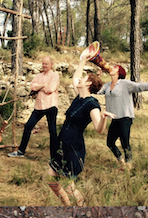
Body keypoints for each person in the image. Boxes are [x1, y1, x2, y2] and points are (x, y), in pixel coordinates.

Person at [45, 51, 115, 206]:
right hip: (62, 143)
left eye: (84, 78)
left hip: (73, 148)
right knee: (51, 179)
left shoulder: (92, 104)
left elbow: (99, 129)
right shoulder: (79, 97)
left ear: (89, 83)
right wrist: (83, 59)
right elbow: (75, 78)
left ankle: (81, 209)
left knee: (70, 186)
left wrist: (103, 118)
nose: (80, 80)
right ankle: (67, 205)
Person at [97, 63, 148, 168]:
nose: (111, 67)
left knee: (125, 143)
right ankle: (121, 161)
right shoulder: (107, 85)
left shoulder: (125, 83)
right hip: (114, 118)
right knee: (110, 142)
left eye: (115, 67)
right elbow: (97, 91)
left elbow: (140, 87)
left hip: (125, 117)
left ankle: (128, 166)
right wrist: (98, 77)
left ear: (119, 72)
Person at [9, 56, 60, 158]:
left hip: (51, 105)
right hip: (39, 106)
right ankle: (21, 151)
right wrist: (44, 85)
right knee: (28, 126)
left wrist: (39, 87)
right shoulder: (38, 75)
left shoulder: (55, 75)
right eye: (43, 64)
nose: (44, 66)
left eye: (46, 64)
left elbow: (50, 89)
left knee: (52, 131)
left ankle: (54, 156)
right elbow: (32, 87)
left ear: (51, 64)